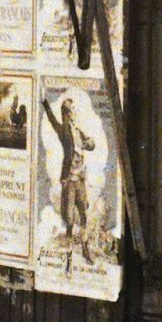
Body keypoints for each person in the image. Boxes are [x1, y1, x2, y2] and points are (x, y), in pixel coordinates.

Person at [42, 93, 97, 264]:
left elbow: (91, 145)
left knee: (84, 213)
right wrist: (44, 102)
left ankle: (85, 247)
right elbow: (52, 120)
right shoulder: (63, 130)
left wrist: (88, 142)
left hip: (80, 179)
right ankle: (69, 242)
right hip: (69, 180)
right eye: (71, 110)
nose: (74, 112)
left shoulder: (79, 129)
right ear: (65, 113)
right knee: (68, 214)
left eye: (74, 109)